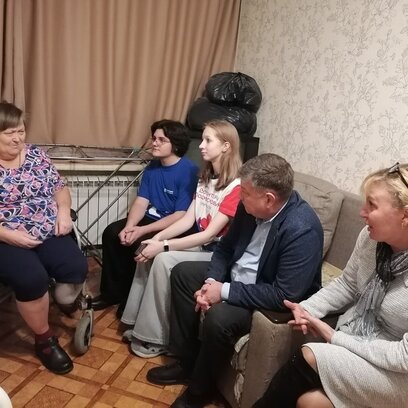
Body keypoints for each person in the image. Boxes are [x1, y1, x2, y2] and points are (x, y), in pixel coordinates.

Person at [146, 153, 324, 408]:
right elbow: (226, 248)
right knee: (183, 275)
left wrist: (223, 291)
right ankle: (188, 362)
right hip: (236, 274)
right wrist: (210, 282)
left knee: (219, 319)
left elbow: (284, 293)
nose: (240, 197)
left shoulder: (302, 228)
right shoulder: (248, 207)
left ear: (269, 199)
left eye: (245, 193)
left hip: (264, 293)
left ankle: (198, 393)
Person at [253, 162, 408, 408]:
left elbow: (404, 357)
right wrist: (307, 308)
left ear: (405, 215)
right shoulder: (370, 239)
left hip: (400, 372)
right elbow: (347, 284)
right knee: (310, 402)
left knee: (309, 355)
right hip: (361, 340)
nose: (362, 212)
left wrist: (334, 336)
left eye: (372, 205)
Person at [121, 120, 242, 358]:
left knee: (163, 259)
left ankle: (155, 338)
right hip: (203, 245)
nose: (201, 146)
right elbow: (188, 220)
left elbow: (209, 234)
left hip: (217, 253)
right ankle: (136, 321)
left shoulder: (236, 187)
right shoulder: (205, 178)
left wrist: (163, 246)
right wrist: (156, 239)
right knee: (148, 249)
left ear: (226, 146)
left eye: (208, 140)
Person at [0, 101, 88, 374]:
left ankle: (63, 301)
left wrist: (63, 212)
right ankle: (44, 340)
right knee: (32, 278)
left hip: (47, 229)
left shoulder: (36, 155)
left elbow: (60, 188)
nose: (18, 138)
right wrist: (8, 235)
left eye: (21, 131)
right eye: (9, 133)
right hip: (5, 237)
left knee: (75, 267)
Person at [91, 120, 199, 315]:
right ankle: (111, 294)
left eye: (161, 140)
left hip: (173, 224)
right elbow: (141, 201)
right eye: (154, 138)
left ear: (175, 144)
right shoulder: (152, 167)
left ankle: (130, 302)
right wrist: (130, 225)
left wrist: (141, 230)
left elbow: (180, 215)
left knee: (139, 244)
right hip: (151, 218)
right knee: (112, 233)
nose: (154, 143)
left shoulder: (189, 171)